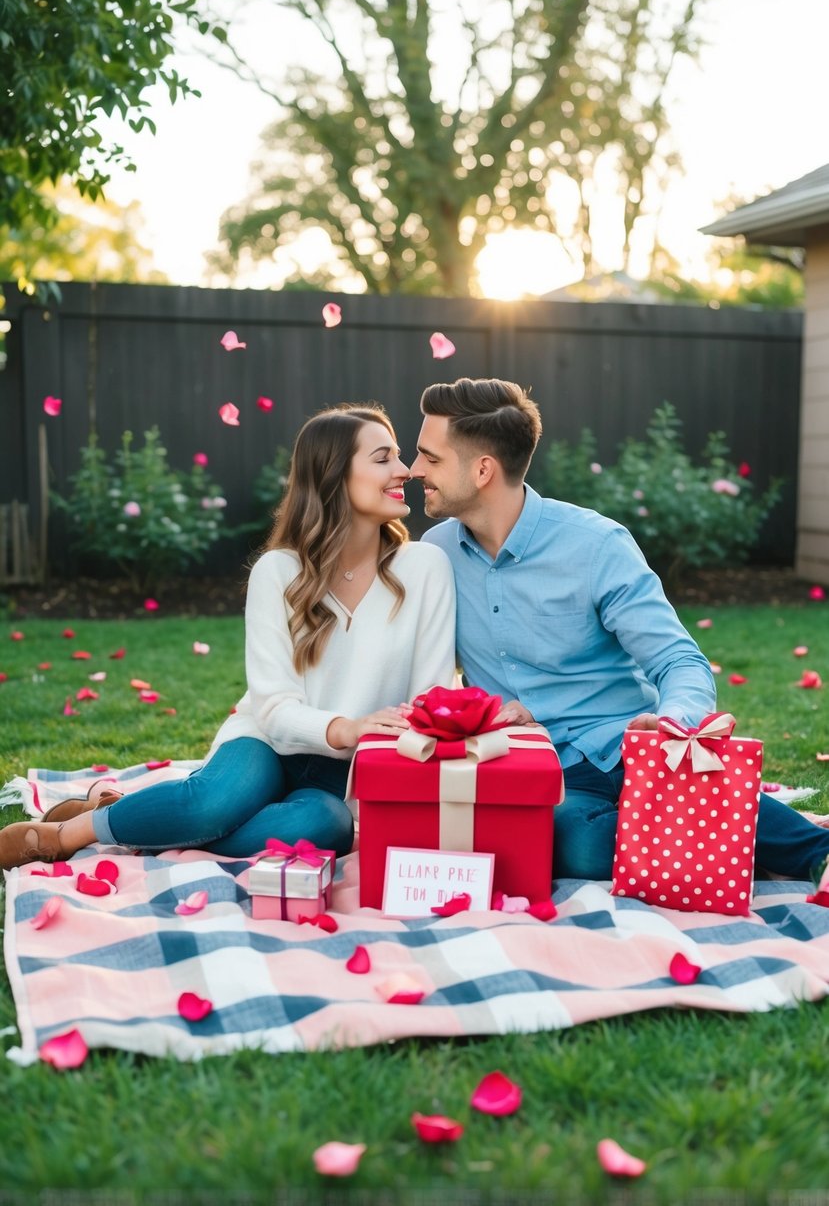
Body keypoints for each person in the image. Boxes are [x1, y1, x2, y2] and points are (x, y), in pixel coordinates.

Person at [0, 403, 457, 870]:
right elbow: (275, 708)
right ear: (333, 475)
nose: (405, 470)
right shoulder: (278, 572)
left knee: (327, 827)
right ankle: (72, 831)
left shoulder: (425, 568)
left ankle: (149, 824)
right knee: (213, 804)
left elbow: (433, 696)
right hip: (266, 742)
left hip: (347, 772)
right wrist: (348, 727)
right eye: (383, 458)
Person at [411, 376, 829, 883]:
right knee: (580, 848)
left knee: (674, 783)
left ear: (482, 470)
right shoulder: (435, 554)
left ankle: (813, 852)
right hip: (538, 770)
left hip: (629, 749)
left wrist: (674, 722)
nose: (416, 471)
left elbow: (679, 661)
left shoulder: (596, 545)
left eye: (430, 459)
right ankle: (696, 834)